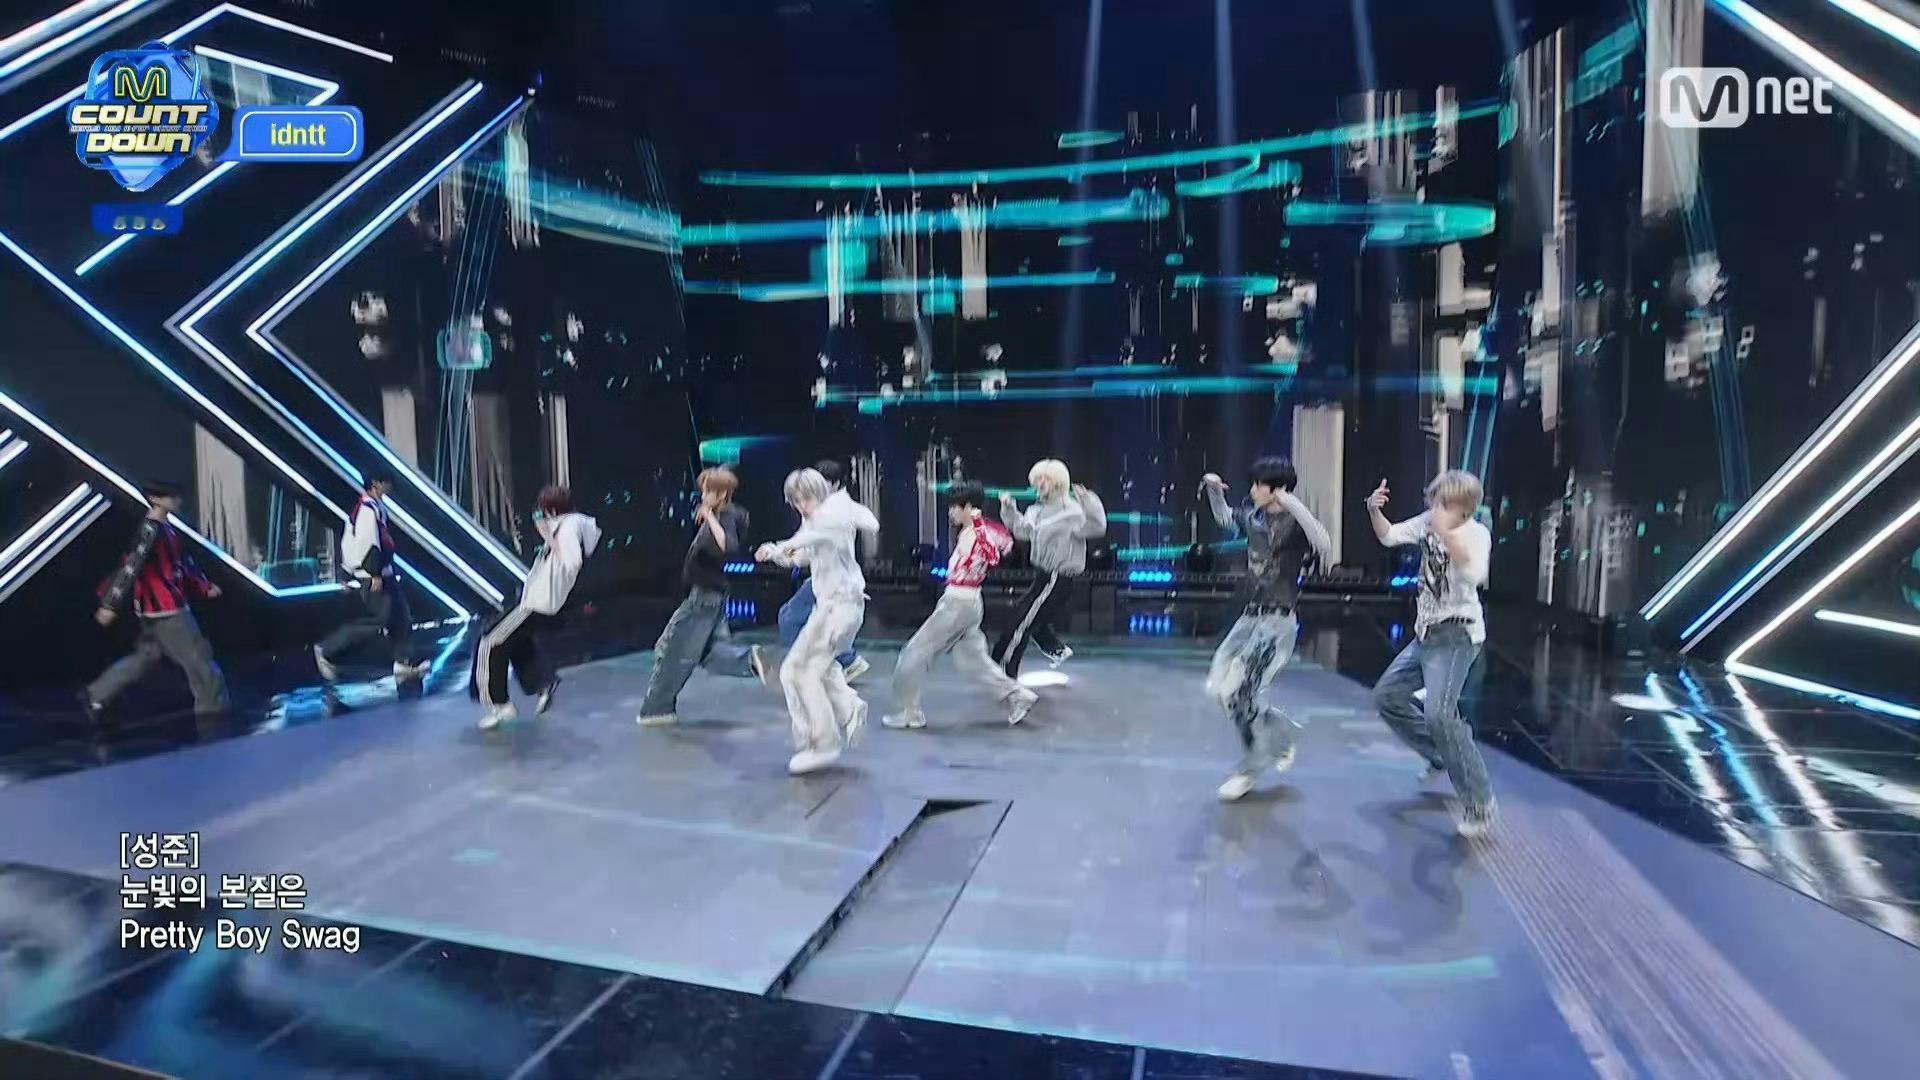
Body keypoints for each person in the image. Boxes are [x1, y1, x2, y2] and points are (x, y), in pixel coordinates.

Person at [1366, 469, 1498, 837]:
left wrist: (1447, 536)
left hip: (1457, 635)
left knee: (1439, 713)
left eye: (1443, 504)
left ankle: (1480, 802)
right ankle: (1440, 754)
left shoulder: (1476, 534)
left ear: (1462, 508)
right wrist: (1374, 510)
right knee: (1387, 697)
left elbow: (1474, 575)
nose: (1434, 509)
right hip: (1425, 634)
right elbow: (1389, 536)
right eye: (1434, 502)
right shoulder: (1428, 522)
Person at [1201, 460, 1331, 801]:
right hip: (1249, 619)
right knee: (1219, 689)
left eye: (1259, 484)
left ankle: (1250, 768)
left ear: (1277, 489)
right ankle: (1282, 734)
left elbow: (1323, 543)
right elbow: (1224, 517)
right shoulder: (1253, 518)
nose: (1253, 490)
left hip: (1277, 622)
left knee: (1241, 693)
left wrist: (1292, 503)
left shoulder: (1295, 523)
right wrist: (1214, 489)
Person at [885, 482, 1038, 730]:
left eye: (954, 507)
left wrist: (977, 526)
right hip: (966, 602)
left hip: (958, 604)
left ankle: (906, 712)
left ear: (968, 507)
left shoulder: (980, 531)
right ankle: (1017, 696)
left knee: (914, 653)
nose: (950, 512)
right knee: (972, 660)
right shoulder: (972, 530)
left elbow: (993, 557)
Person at [755, 468, 877, 775]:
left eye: (805, 499)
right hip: (827, 609)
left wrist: (784, 545)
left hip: (842, 609)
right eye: (796, 501)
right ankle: (847, 710)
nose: (801, 506)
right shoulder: (818, 520)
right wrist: (776, 552)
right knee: (795, 670)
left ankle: (823, 744)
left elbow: (862, 524)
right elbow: (801, 555)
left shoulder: (831, 516)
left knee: (806, 673)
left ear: (819, 493)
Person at [81, 481, 229, 718]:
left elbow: (179, 564)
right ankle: (213, 712)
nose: (177, 500)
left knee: (146, 658)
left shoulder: (164, 528)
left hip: (156, 609)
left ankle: (96, 694)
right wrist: (110, 604)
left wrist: (204, 586)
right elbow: (131, 566)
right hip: (167, 610)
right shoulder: (150, 530)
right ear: (155, 499)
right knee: (198, 659)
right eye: (170, 496)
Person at [636, 467, 766, 726]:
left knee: (671, 650)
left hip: (703, 596)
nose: (703, 496)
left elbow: (728, 546)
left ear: (722, 494)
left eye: (707, 491)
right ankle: (751, 660)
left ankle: (657, 709)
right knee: (710, 653)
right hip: (709, 595)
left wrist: (710, 518)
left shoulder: (725, 516)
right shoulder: (722, 515)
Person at [474, 486, 601, 729]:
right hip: (540, 601)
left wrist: (549, 538)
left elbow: (572, 561)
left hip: (538, 602)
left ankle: (498, 705)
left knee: (490, 641)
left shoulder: (569, 528)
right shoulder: (572, 525)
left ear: (552, 510)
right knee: (516, 643)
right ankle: (543, 681)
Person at [993, 459, 1106, 676]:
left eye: (1045, 479)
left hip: (1058, 578)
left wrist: (1087, 501)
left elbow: (1096, 527)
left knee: (1021, 623)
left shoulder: (1072, 512)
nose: (1040, 483)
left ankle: (1002, 672)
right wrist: (1008, 509)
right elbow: (1022, 531)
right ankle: (1056, 650)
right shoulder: (1036, 511)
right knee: (1029, 617)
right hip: (1042, 576)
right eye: (1038, 479)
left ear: (1057, 482)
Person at [314, 475, 428, 686]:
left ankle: (404, 662)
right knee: (380, 619)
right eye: (386, 481)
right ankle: (328, 648)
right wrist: (373, 573)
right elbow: (368, 543)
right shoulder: (366, 510)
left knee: (400, 616)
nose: (390, 486)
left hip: (383, 573)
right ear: (376, 484)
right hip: (373, 575)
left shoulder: (372, 507)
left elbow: (351, 541)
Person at [776, 459, 868, 683]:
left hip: (835, 582)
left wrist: (786, 551)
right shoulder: (820, 509)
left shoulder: (834, 511)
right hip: (827, 579)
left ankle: (834, 663)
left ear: (835, 484)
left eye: (823, 483)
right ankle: (845, 661)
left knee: (790, 617)